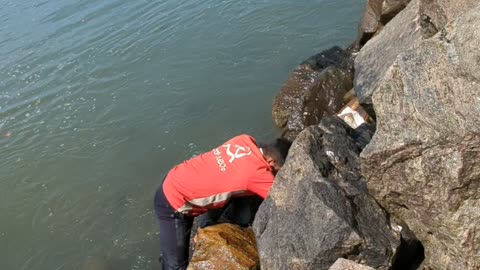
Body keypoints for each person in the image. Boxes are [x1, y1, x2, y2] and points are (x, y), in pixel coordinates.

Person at [154, 134, 291, 270]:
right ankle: (170, 258)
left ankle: (199, 231)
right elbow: (284, 200)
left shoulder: (244, 140)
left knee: (229, 182)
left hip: (176, 177)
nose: (275, 176)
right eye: (278, 172)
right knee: (176, 266)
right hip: (173, 204)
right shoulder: (258, 175)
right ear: (271, 161)